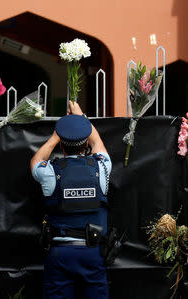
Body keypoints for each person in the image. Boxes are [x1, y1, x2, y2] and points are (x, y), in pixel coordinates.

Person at [30, 101, 112, 299]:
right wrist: (80, 117)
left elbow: (35, 162)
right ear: (84, 143)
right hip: (92, 253)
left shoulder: (49, 172)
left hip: (60, 255)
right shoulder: (101, 169)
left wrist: (55, 136)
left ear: (61, 144)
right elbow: (97, 142)